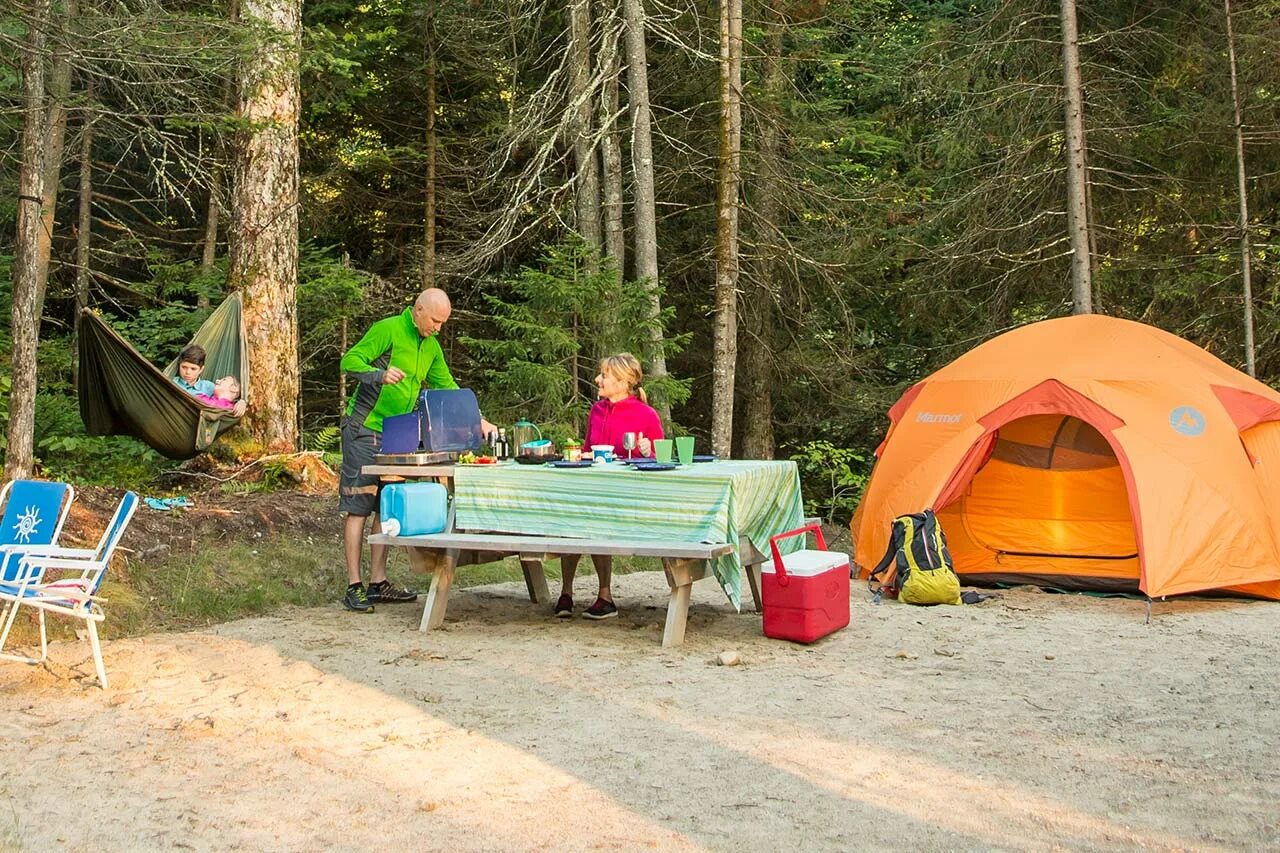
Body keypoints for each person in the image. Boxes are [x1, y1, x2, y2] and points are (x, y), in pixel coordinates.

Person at [338, 288, 495, 613]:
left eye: (443, 323)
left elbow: (447, 386)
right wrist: (379, 375)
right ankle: (353, 585)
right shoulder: (389, 329)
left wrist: (478, 420)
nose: (438, 328)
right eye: (435, 321)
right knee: (359, 505)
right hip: (364, 428)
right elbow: (349, 361)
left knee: (387, 502)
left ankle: (377, 582)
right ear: (418, 310)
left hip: (398, 434)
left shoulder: (431, 346)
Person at [555, 353, 664, 620]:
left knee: (596, 522)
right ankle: (566, 593)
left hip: (625, 495)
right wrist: (581, 456)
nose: (598, 380)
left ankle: (605, 596)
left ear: (624, 381)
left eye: (604, 375)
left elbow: (661, 458)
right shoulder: (597, 410)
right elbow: (586, 449)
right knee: (572, 523)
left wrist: (647, 451)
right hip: (590, 487)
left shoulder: (646, 415)